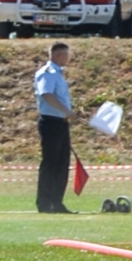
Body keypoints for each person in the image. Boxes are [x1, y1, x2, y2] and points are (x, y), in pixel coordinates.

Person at [34, 42, 78, 214]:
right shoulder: (48, 73)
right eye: (66, 55)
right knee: (51, 163)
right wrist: (66, 110)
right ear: (58, 55)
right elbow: (47, 94)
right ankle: (45, 203)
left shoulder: (59, 74)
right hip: (50, 122)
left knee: (62, 164)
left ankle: (57, 202)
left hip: (60, 122)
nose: (68, 58)